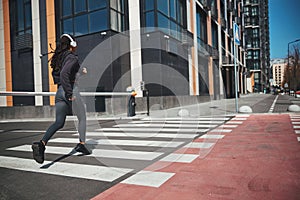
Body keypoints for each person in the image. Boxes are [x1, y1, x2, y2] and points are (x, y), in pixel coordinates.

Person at [32, 33, 90, 164]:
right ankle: (81, 143)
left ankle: (41, 144)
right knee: (82, 117)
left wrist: (80, 72)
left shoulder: (59, 58)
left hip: (59, 92)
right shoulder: (72, 57)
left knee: (59, 122)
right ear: (72, 44)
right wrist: (70, 93)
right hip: (70, 90)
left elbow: (63, 72)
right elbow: (65, 74)